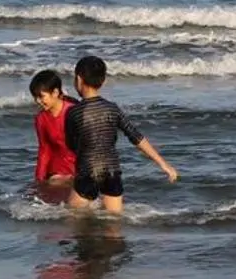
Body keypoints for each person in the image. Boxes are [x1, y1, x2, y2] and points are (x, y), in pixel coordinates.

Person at [64, 55, 177, 212]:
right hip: (112, 171)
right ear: (103, 82)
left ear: (78, 79)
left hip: (88, 170)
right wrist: (163, 164)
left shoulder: (73, 112)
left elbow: (70, 144)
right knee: (114, 224)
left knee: (72, 220)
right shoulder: (112, 108)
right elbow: (136, 137)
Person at [29, 68, 77, 192]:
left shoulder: (75, 112)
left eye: (41, 96)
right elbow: (44, 150)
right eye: (35, 97)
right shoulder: (41, 119)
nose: (37, 101)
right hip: (57, 170)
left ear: (55, 92)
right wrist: (39, 180)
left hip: (80, 168)